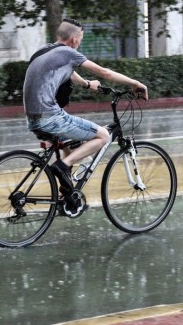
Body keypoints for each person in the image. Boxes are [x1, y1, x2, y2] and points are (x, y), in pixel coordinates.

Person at [22, 18, 148, 208]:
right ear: (73, 39)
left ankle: (69, 197)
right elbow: (104, 73)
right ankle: (63, 166)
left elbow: (69, 72)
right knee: (103, 136)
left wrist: (88, 85)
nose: (79, 43)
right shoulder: (68, 52)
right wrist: (135, 84)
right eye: (80, 39)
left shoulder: (46, 51)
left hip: (33, 119)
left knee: (69, 147)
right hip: (50, 116)